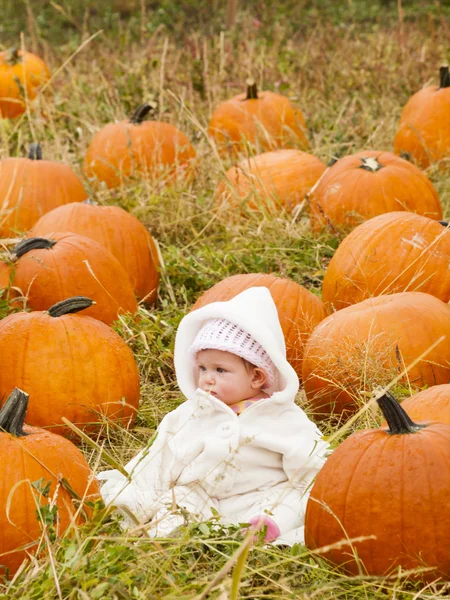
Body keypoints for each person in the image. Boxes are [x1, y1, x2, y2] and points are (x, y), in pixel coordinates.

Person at [98, 286, 329, 544]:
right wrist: (132, 495)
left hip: (257, 497)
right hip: (201, 496)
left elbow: (312, 470)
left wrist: (285, 511)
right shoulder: (191, 414)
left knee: (293, 500)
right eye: (203, 368)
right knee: (177, 503)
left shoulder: (283, 418)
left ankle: (265, 529)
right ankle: (165, 538)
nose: (207, 379)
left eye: (220, 370)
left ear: (256, 377)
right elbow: (160, 456)